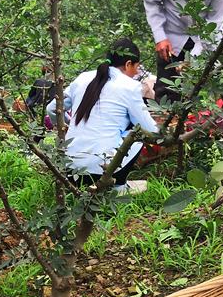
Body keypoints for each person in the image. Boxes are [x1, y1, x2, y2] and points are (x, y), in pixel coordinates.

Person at [47, 39, 159, 188]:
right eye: (136, 68)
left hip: (70, 171)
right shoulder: (130, 86)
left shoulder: (83, 78)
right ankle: (118, 186)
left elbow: (52, 107)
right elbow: (150, 130)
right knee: (137, 135)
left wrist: (66, 125)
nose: (135, 73)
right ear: (128, 64)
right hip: (101, 172)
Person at [143, 0, 223, 104]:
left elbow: (216, 20)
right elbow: (152, 1)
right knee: (167, 92)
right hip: (171, 36)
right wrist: (160, 37)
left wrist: (195, 57)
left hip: (207, 34)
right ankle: (166, 124)